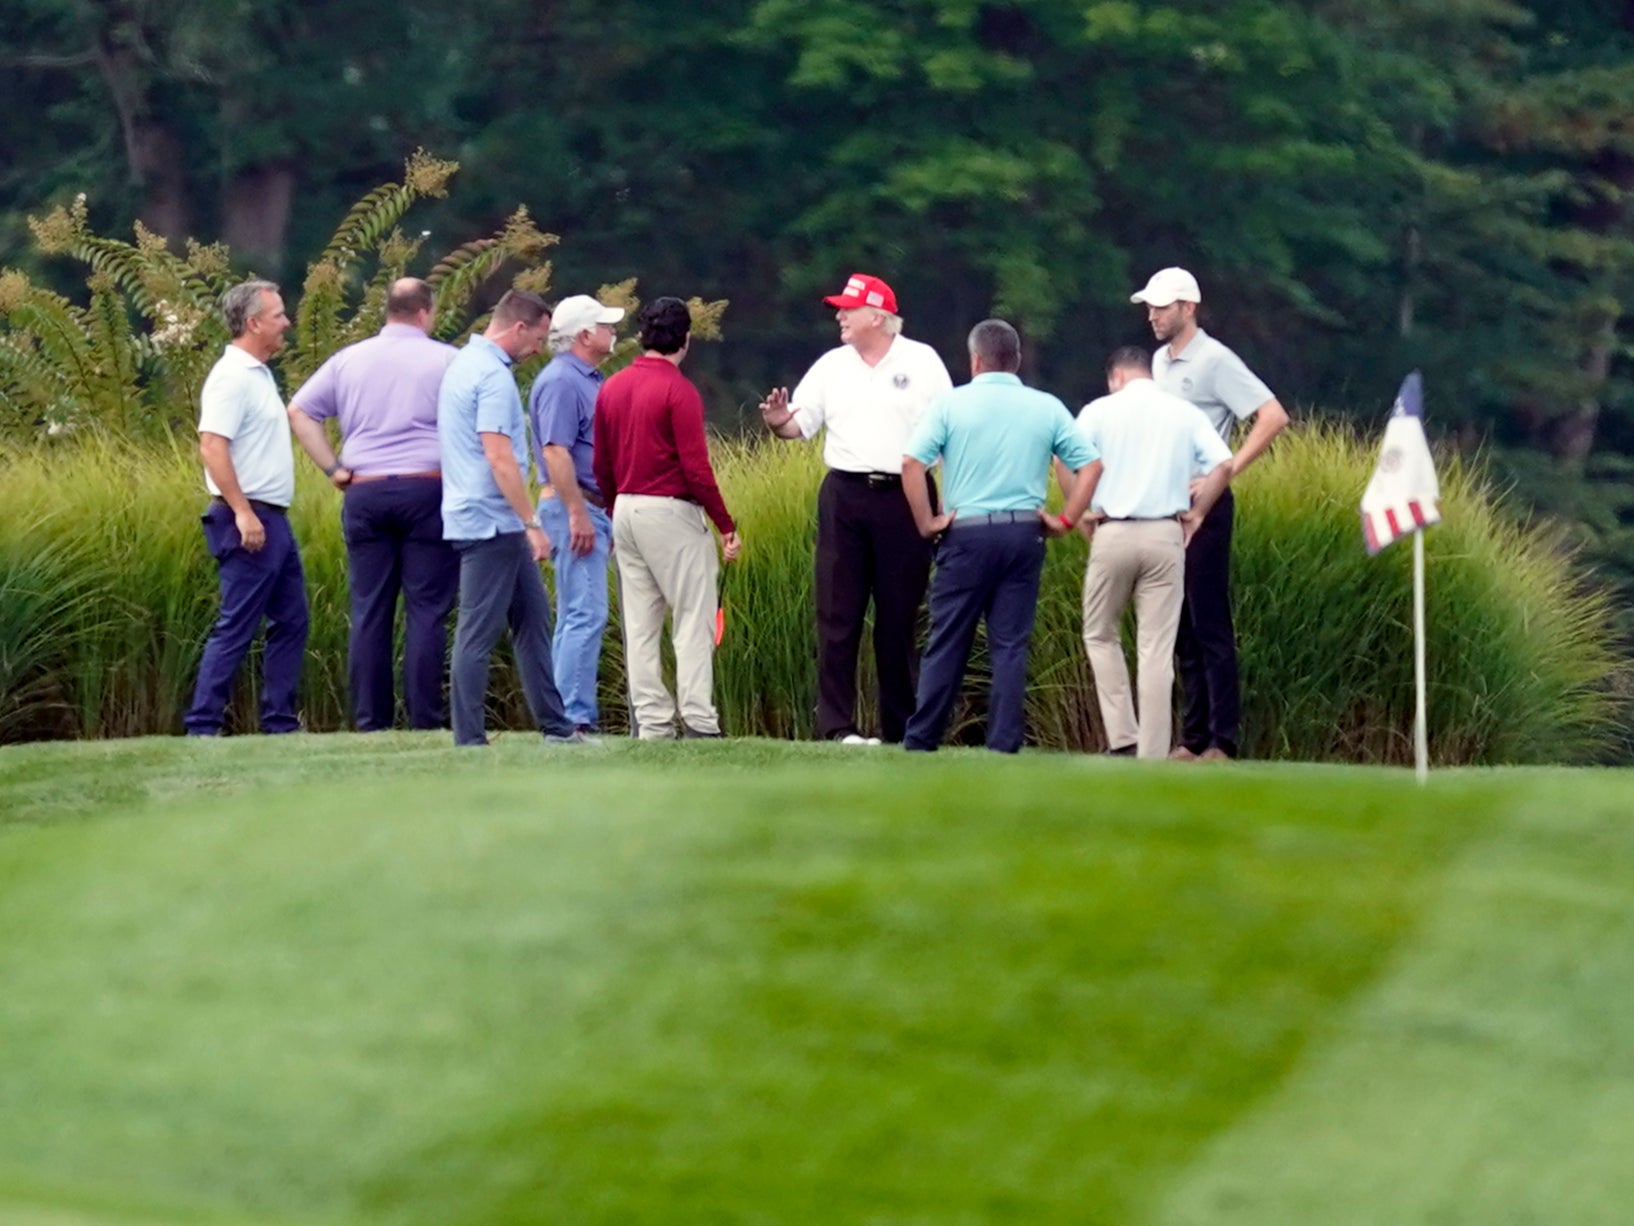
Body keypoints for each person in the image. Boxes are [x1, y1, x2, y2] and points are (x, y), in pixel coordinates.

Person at [758, 273, 952, 745]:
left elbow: (950, 434)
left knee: (899, 616)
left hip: (905, 496)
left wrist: (950, 504)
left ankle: (900, 727)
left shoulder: (922, 361)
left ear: (879, 316)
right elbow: (797, 426)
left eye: (848, 309)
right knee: (837, 614)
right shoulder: (831, 366)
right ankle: (836, 726)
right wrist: (777, 421)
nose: (840, 317)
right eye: (839, 309)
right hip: (845, 494)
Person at [900, 319, 1098, 754]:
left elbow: (912, 464)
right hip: (1024, 533)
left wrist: (927, 523)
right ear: (1017, 360)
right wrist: (1066, 520)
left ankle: (922, 737)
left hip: (966, 533)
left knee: (948, 638)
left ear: (975, 359)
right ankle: (1005, 741)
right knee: (1010, 644)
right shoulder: (1045, 406)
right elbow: (1091, 466)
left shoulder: (951, 405)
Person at [287, 277, 459, 731]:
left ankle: (371, 721)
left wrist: (333, 468)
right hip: (427, 487)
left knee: (370, 609)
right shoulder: (447, 359)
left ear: (390, 310)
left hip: (365, 489)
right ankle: (426, 719)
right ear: (425, 312)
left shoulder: (348, 360)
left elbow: (300, 411)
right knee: (426, 609)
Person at [1132, 267, 1289, 762]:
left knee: (1209, 623)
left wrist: (1225, 470)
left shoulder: (1216, 359)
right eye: (1150, 307)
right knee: (1179, 624)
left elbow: (1272, 416)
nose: (1153, 314)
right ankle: (1192, 736)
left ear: (1189, 308)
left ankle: (1223, 739)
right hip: (1167, 505)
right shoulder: (1158, 362)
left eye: (1162, 306)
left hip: (1207, 504)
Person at [1070, 347, 1233, 760]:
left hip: (1112, 530)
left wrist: (1080, 511)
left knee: (1099, 632)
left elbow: (1063, 457)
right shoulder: (1182, 412)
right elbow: (1224, 466)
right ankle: (1154, 751)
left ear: (1116, 377)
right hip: (1166, 533)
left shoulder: (1097, 411)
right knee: (1157, 646)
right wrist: (1197, 513)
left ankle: (1123, 734)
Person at [437, 289, 582, 747]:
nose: (539, 348)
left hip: (488, 517)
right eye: (538, 337)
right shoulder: (494, 378)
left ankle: (557, 728)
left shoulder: (463, 364)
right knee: (478, 633)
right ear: (518, 328)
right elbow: (499, 457)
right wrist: (531, 523)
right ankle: (470, 739)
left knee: (534, 621)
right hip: (491, 522)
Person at [593, 297, 740, 740]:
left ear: (642, 336)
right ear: (686, 339)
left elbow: (601, 462)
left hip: (625, 507)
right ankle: (697, 718)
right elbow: (696, 470)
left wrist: (611, 505)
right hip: (670, 510)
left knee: (640, 624)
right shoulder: (679, 391)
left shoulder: (612, 387)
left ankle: (653, 723)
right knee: (692, 618)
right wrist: (725, 523)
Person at [184, 279, 308, 736]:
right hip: (249, 517)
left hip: (272, 517)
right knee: (237, 623)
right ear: (254, 323)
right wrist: (242, 512)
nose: (286, 323)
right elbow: (212, 446)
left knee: (292, 620)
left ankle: (279, 722)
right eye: (278, 316)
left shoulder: (258, 374)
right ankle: (202, 723)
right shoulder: (232, 377)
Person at [527, 293, 626, 734]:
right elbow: (555, 450)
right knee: (585, 613)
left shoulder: (586, 378)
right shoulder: (563, 381)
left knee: (576, 613)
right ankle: (572, 718)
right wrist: (576, 512)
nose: (612, 331)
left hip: (588, 506)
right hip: (576, 506)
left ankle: (565, 714)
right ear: (585, 335)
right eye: (605, 325)